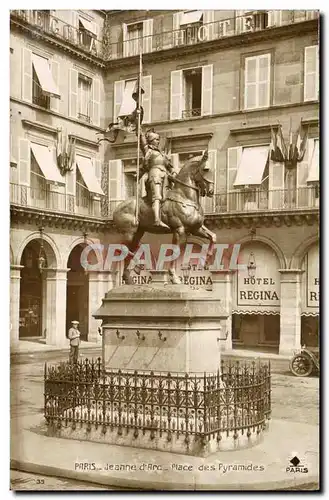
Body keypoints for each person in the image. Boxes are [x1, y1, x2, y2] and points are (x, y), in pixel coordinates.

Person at [139, 128, 177, 229]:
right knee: (157, 197)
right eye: (156, 139)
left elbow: (170, 165)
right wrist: (139, 131)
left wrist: (173, 171)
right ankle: (157, 220)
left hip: (166, 177)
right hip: (155, 175)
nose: (158, 141)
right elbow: (142, 143)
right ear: (151, 141)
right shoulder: (149, 151)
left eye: (158, 139)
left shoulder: (162, 154)